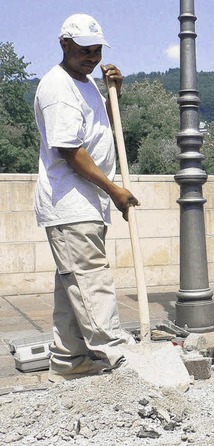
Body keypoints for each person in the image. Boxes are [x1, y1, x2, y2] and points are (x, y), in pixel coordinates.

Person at [34, 13, 139, 382]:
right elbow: (69, 149)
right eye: (84, 50)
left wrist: (116, 93)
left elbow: (103, 129)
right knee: (90, 279)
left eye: (96, 50)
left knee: (72, 284)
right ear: (64, 45)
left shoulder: (86, 84)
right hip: (70, 203)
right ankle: (116, 353)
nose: (92, 57)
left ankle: (69, 361)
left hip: (86, 203)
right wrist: (114, 190)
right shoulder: (58, 88)